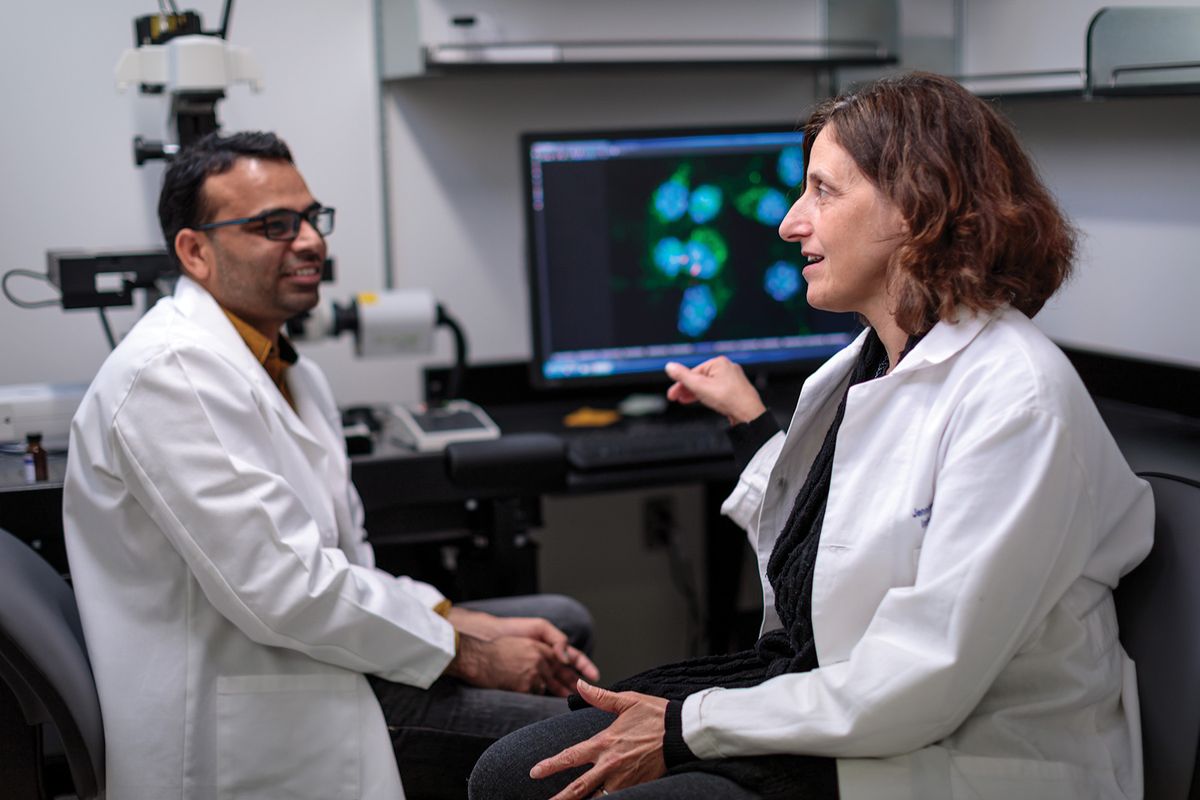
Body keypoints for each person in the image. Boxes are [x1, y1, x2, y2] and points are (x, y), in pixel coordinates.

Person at [468, 71, 1153, 800]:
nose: (791, 222)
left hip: (957, 755)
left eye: (824, 192)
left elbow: (924, 677)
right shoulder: (864, 368)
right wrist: (754, 426)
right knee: (510, 774)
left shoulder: (1016, 400)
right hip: (851, 708)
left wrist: (685, 727)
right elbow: (827, 556)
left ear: (919, 205)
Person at [63, 130, 598, 800]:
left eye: (312, 218)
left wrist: (452, 615)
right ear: (195, 251)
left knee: (562, 619)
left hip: (313, 652)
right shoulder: (170, 375)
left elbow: (344, 563)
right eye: (273, 226)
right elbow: (288, 588)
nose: (312, 241)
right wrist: (471, 650)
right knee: (576, 739)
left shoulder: (290, 371)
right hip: (261, 706)